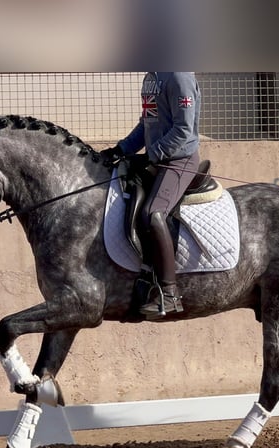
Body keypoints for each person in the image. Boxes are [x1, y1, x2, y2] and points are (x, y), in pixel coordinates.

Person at [101, 72, 201, 317]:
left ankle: (169, 293)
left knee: (153, 213)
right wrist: (121, 149)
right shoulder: (151, 77)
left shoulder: (178, 76)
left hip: (180, 160)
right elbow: (146, 123)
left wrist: (152, 153)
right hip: (158, 158)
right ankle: (146, 273)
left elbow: (183, 129)